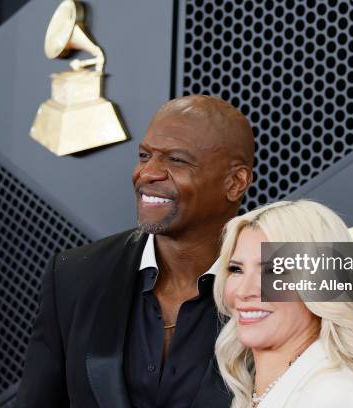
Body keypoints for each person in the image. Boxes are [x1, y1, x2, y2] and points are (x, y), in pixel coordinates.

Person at [16, 95, 254, 408]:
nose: (148, 173)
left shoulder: (291, 270)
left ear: (235, 182)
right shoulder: (75, 273)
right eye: (144, 156)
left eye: (176, 160)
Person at [213, 200, 353, 408]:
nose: (243, 291)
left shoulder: (335, 397)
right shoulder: (268, 392)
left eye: (274, 271)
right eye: (236, 269)